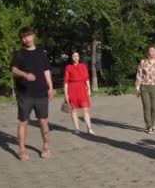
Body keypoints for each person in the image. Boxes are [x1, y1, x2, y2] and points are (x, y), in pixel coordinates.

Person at [11, 27, 54, 161]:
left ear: (33, 36)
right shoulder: (19, 54)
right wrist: (24, 74)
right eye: (23, 37)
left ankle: (46, 147)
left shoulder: (42, 53)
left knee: (43, 121)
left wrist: (51, 87)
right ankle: (22, 150)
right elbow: (13, 70)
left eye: (28, 36)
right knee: (23, 121)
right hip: (25, 94)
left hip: (41, 93)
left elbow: (46, 70)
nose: (26, 39)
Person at [64, 51, 94, 135]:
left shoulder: (83, 66)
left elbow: (87, 78)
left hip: (82, 89)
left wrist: (89, 89)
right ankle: (77, 128)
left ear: (79, 57)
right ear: (71, 58)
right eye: (74, 56)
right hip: (72, 90)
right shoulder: (68, 67)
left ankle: (89, 128)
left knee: (85, 110)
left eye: (77, 56)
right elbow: (66, 82)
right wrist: (66, 94)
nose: (76, 58)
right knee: (74, 110)